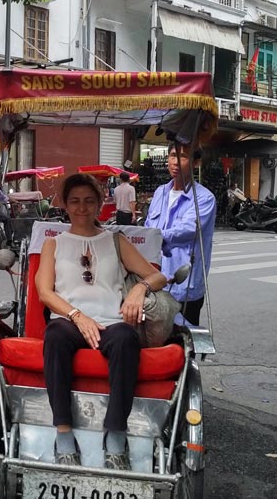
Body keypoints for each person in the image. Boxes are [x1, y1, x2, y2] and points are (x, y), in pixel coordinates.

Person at [36, 173, 167, 469]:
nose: (82, 208)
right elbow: (45, 292)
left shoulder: (115, 241)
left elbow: (157, 276)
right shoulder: (53, 245)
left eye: (89, 201)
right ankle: (64, 433)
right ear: (65, 206)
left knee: (126, 339)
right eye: (75, 201)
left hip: (111, 321)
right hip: (68, 320)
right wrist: (77, 316)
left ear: (100, 205)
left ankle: (116, 434)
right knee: (55, 336)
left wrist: (138, 289)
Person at [145, 142, 215, 326]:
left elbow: (187, 230)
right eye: (173, 155)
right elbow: (147, 228)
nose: (175, 162)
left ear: (196, 163)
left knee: (183, 340)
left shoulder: (204, 198)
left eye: (183, 157)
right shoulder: (160, 192)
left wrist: (153, 238)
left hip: (184, 285)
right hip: (155, 281)